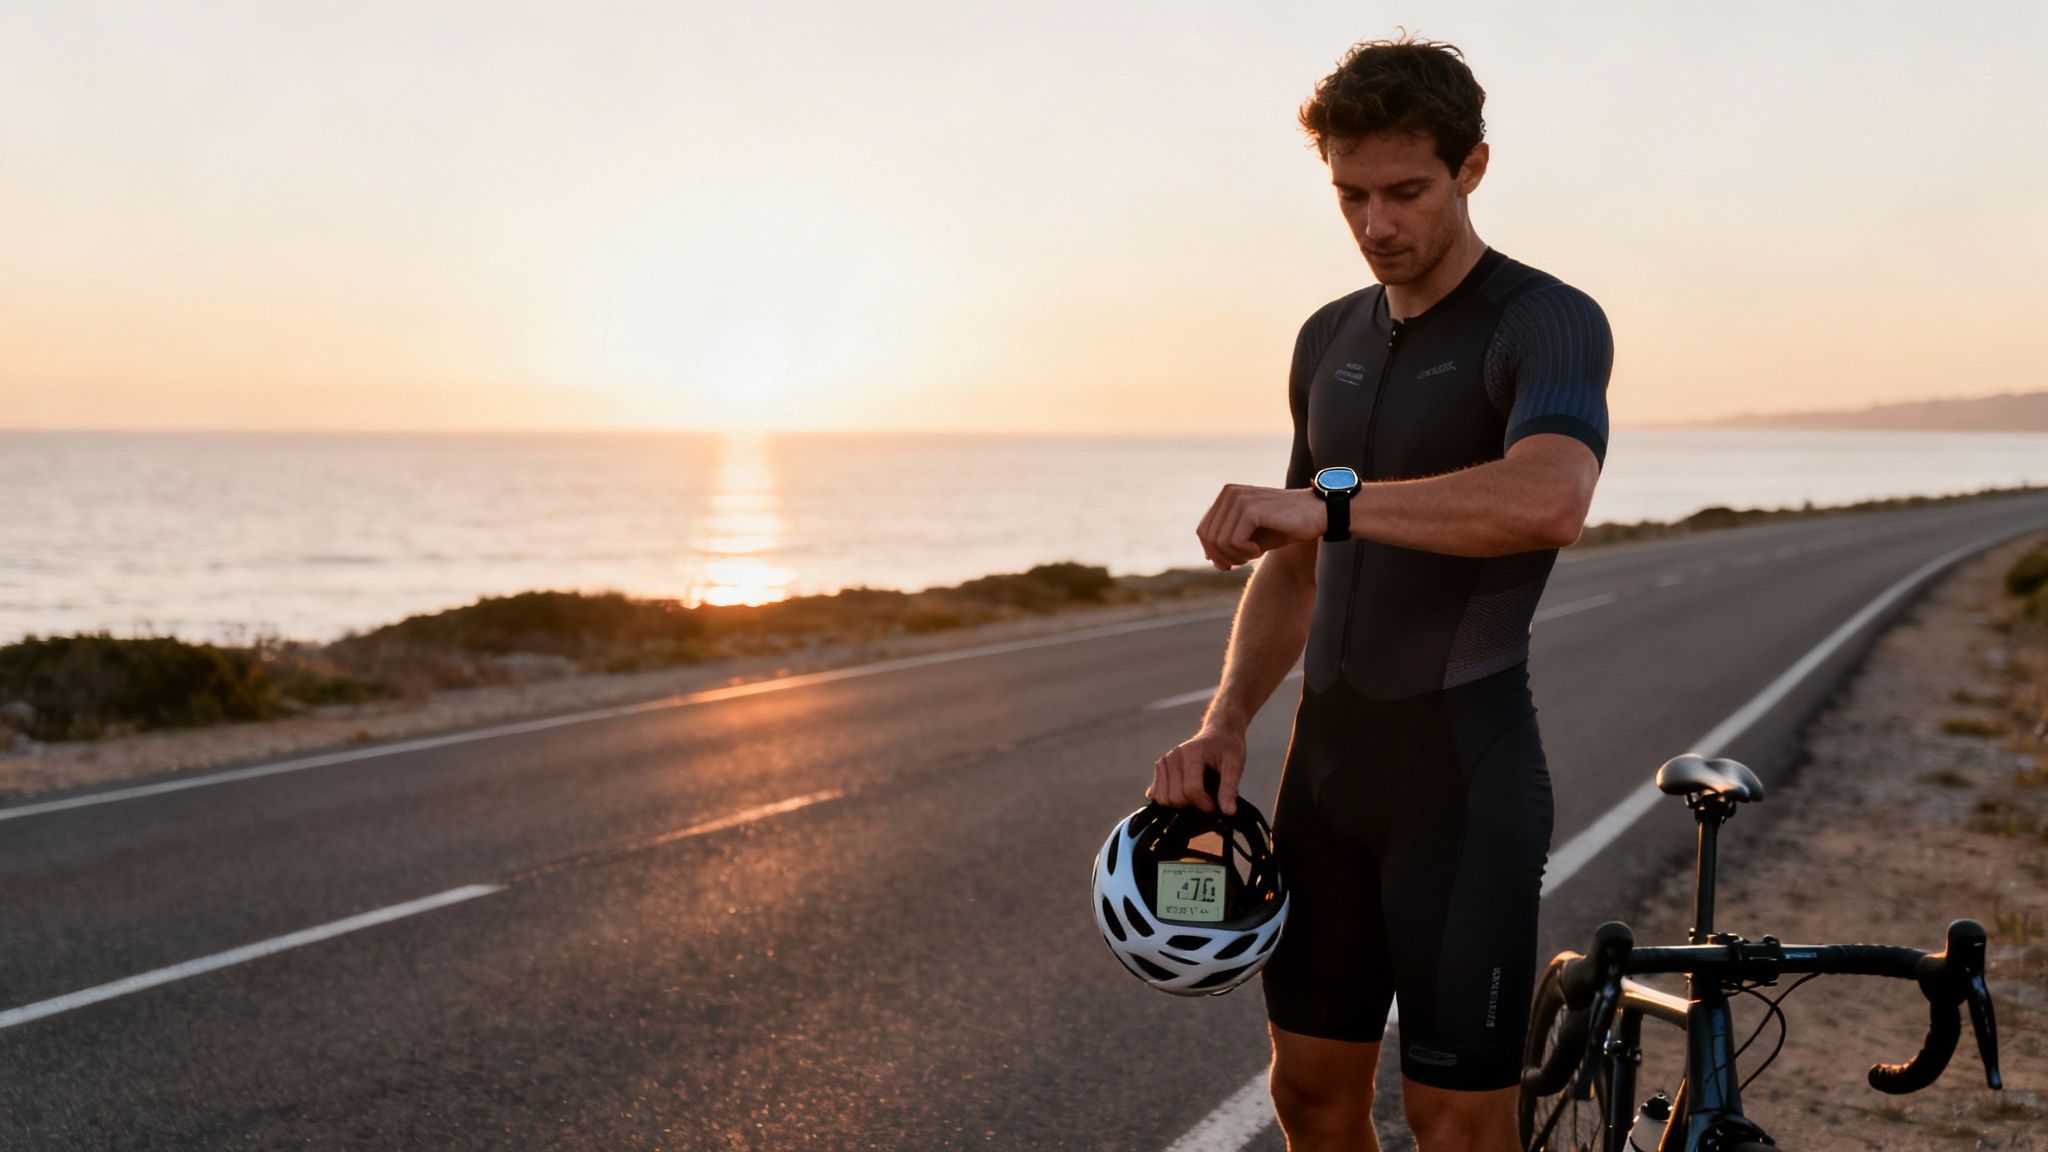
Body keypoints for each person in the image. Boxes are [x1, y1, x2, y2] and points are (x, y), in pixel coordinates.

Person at [1146, 36, 1613, 1152]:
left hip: (1461, 773)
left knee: (1455, 1126)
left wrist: (1333, 507)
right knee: (1306, 1098)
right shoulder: (1327, 341)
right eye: (1349, 196)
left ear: (1472, 168)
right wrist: (1225, 723)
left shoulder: (1541, 321)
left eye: (1405, 191)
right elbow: (1296, 565)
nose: (1375, 224)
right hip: (1327, 776)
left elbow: (1549, 497)